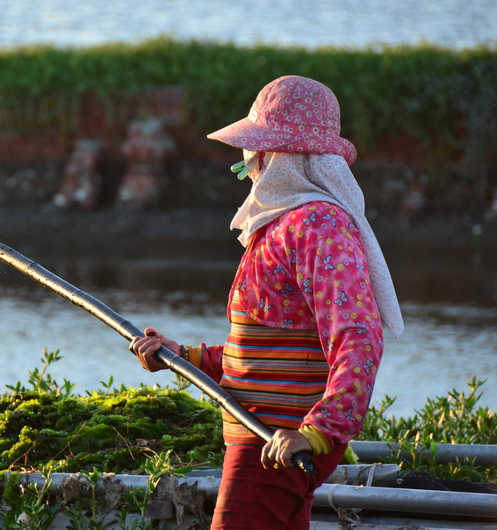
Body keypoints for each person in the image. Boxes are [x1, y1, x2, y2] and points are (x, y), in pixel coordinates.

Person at [130, 75, 404, 530]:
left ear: (280, 156)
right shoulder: (282, 226)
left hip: (279, 443)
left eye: (256, 149)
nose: (249, 161)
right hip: (265, 438)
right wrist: (188, 358)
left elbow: (359, 339)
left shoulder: (317, 225)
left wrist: (316, 435)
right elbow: (270, 348)